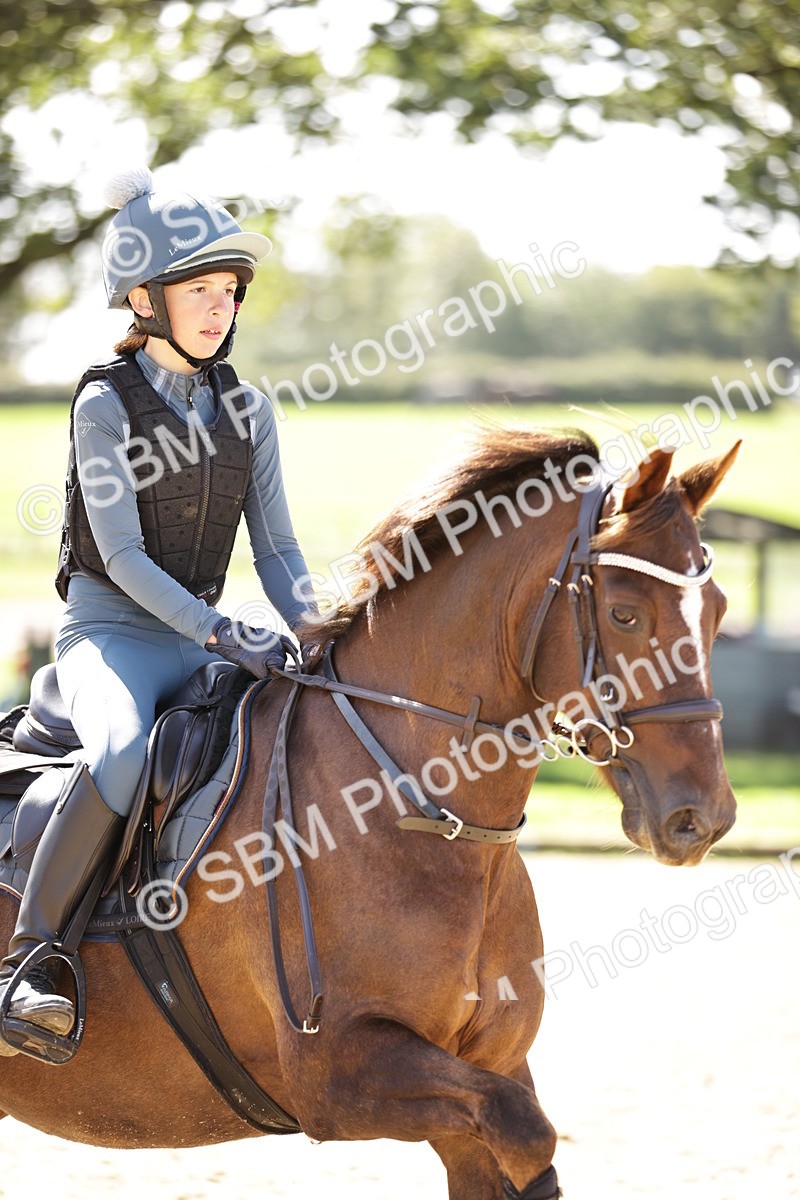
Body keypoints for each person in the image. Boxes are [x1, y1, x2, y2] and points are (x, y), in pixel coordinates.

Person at [0, 165, 316, 1051]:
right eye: (198, 291)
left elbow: (280, 551)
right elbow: (127, 559)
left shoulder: (248, 408)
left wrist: (319, 628)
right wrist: (221, 629)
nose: (219, 310)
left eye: (229, 292)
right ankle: (31, 961)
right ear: (142, 297)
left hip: (203, 636)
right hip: (114, 635)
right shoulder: (104, 402)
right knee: (122, 755)